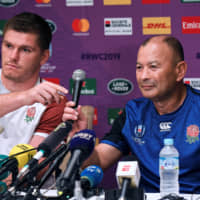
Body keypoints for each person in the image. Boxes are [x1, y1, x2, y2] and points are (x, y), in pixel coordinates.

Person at [64, 35, 200, 194]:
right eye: (139, 67)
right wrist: (78, 141)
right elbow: (98, 161)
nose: (144, 76)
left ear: (179, 71)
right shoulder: (133, 112)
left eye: (153, 67)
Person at [0, 11, 86, 156]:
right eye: (9, 46)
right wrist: (24, 97)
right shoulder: (29, 95)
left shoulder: (53, 101)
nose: (13, 57)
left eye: (25, 50)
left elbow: (33, 166)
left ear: (44, 57)